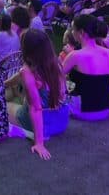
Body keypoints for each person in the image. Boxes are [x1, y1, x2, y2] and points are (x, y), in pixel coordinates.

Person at [5, 29, 69, 159]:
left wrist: (39, 143)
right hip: (60, 121)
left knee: (2, 105)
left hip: (42, 124)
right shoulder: (55, 63)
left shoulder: (27, 72)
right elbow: (18, 78)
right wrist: (4, 83)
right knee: (12, 90)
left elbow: (36, 108)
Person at [62, 15, 109, 120]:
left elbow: (56, 76)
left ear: (81, 32)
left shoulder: (75, 55)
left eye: (73, 29)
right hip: (105, 110)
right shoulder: (107, 52)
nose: (71, 32)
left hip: (83, 111)